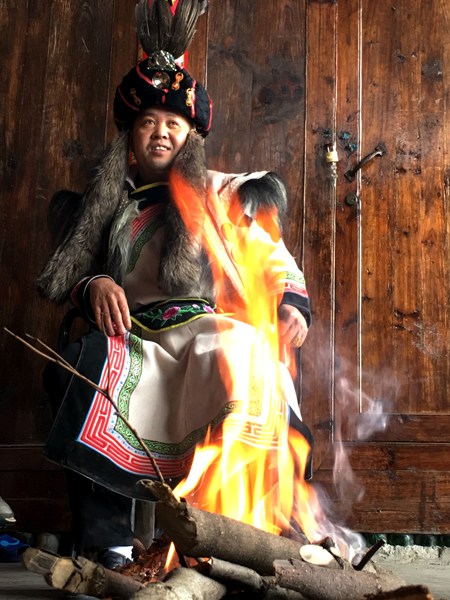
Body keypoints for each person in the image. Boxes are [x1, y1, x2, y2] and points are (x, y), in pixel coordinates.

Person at [37, 0, 312, 567]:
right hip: (134, 339)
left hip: (203, 331)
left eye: (173, 123)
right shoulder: (104, 206)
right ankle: (109, 546)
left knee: (243, 352)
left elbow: (270, 253)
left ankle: (241, 539)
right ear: (129, 137)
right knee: (87, 363)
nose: (160, 133)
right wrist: (92, 285)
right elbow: (76, 267)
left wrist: (290, 306)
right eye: (147, 122)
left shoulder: (219, 193)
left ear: (190, 135)